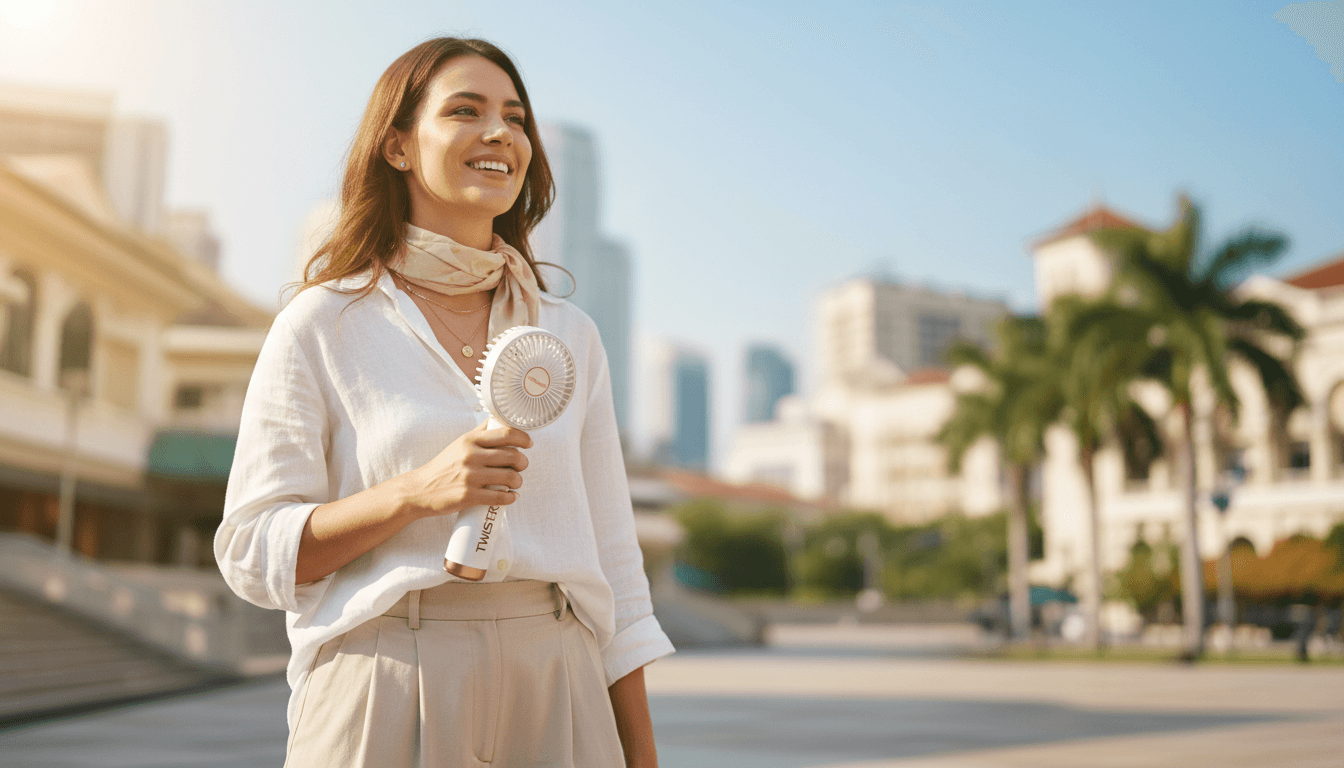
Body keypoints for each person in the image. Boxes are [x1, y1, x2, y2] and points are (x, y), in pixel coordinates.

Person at [214, 37, 673, 767]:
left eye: (515, 119)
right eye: (467, 110)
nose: (500, 133)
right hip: (383, 678)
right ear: (397, 146)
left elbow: (615, 570)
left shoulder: (570, 336)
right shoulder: (322, 324)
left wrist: (642, 758)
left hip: (557, 679)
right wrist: (413, 494)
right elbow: (249, 551)